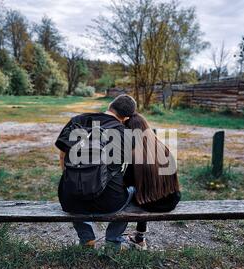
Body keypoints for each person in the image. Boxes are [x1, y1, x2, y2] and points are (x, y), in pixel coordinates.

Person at [55, 94, 137, 249]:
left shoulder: (77, 120)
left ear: (110, 106)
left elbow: (62, 157)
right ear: (126, 118)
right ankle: (113, 239)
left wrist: (75, 181)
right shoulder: (126, 133)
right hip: (110, 202)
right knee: (133, 190)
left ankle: (86, 238)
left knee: (71, 190)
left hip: (71, 200)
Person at [124, 113, 181, 250]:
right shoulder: (163, 148)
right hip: (172, 199)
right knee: (145, 191)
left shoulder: (133, 155)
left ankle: (116, 238)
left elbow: (126, 183)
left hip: (150, 203)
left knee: (130, 193)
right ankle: (139, 238)